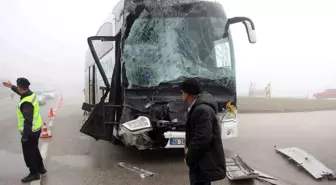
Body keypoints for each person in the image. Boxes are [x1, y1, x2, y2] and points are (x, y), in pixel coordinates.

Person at [181, 78, 226, 185]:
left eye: (182, 92)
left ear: (187, 94)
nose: (181, 95)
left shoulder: (202, 110)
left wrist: (189, 158)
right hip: (202, 162)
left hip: (201, 164)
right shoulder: (199, 107)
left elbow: (202, 139)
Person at [2, 78, 47, 183]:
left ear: (20, 87)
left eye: (17, 87)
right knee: (34, 150)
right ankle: (41, 168)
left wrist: (25, 136)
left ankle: (34, 173)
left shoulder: (26, 103)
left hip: (30, 132)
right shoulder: (30, 94)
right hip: (36, 129)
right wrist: (11, 86)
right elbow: (20, 91)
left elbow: (28, 120)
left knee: (29, 154)